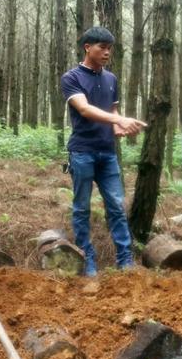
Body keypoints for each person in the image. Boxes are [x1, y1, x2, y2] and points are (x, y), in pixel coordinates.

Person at [61, 27, 147, 277]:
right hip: (82, 152)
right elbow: (85, 110)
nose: (107, 52)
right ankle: (86, 260)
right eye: (102, 47)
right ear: (87, 47)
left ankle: (125, 261)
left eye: (110, 48)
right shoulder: (72, 77)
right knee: (81, 208)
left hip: (107, 153)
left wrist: (119, 125)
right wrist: (118, 120)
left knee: (117, 207)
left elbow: (112, 111)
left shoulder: (111, 79)